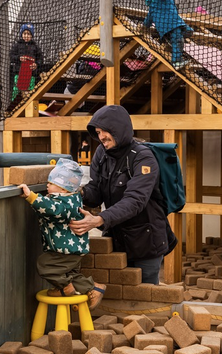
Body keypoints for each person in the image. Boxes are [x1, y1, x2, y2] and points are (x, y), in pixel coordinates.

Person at [69, 105, 174, 284]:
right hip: (117, 238)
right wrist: (78, 192)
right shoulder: (101, 153)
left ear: (118, 129)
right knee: (118, 289)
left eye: (105, 131)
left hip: (146, 241)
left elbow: (135, 200)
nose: (101, 137)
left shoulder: (143, 157)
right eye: (98, 132)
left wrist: (98, 220)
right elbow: (96, 191)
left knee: (144, 296)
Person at [20, 159, 105, 308]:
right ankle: (94, 288)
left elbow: (53, 209)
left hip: (67, 250)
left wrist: (31, 196)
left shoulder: (66, 203)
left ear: (64, 189)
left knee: (44, 264)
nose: (47, 185)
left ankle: (66, 288)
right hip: (68, 248)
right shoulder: (66, 198)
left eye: (52, 183)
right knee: (70, 274)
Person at [143, 0, 192, 67]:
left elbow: (150, 14)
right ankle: (177, 61)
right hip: (170, 24)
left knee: (188, 31)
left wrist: (145, 25)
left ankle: (170, 41)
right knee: (178, 40)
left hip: (172, 22)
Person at [9, 23, 43, 101]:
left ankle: (28, 106)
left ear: (32, 35)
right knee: (17, 90)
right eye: (24, 33)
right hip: (19, 73)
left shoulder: (35, 46)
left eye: (29, 34)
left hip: (31, 74)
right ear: (21, 34)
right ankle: (15, 105)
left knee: (30, 91)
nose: (26, 36)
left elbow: (40, 58)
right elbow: (11, 56)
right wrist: (19, 58)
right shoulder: (17, 45)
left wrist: (36, 64)